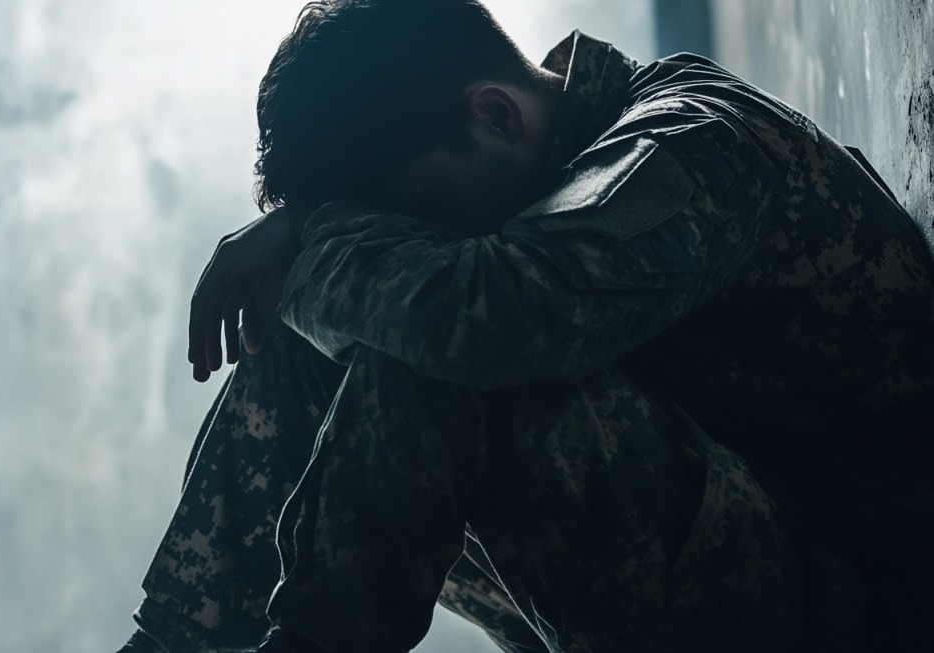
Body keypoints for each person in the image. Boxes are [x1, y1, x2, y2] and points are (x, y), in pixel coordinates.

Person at [117, 1, 934, 651]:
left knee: (441, 332)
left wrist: (311, 236)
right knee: (348, 323)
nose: (421, 243)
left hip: (861, 599)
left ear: (497, 115)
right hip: (722, 585)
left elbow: (483, 319)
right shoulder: (539, 207)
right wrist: (314, 242)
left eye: (428, 211)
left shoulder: (697, 137)